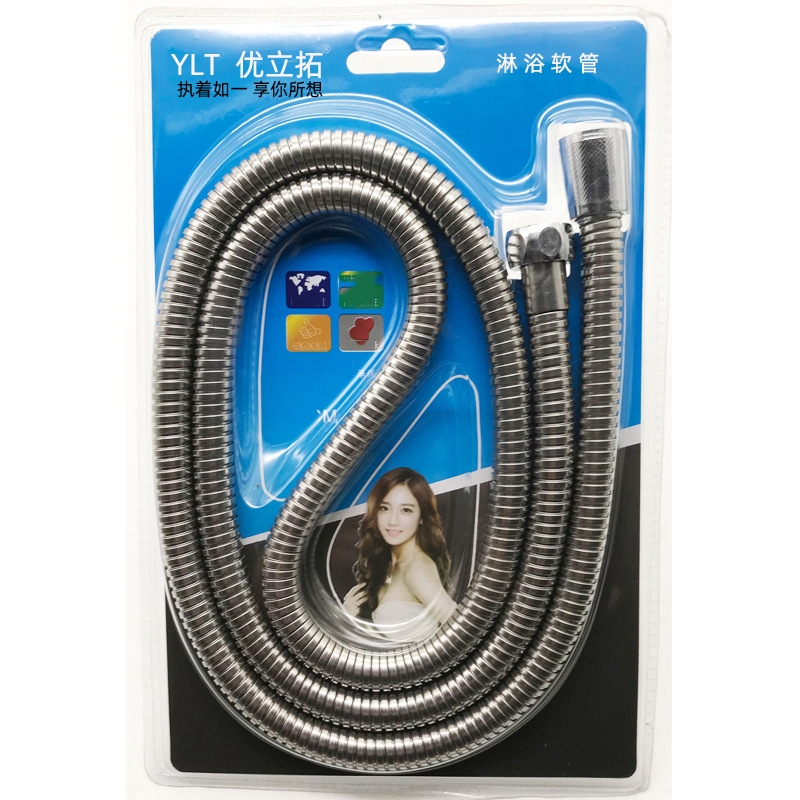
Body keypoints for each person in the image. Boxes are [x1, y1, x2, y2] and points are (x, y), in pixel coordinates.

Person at [342, 467, 456, 642]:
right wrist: (350, 614)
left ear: (422, 516)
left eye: (406, 510)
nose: (393, 521)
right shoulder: (389, 565)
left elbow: (464, 629)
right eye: (384, 508)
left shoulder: (416, 568)